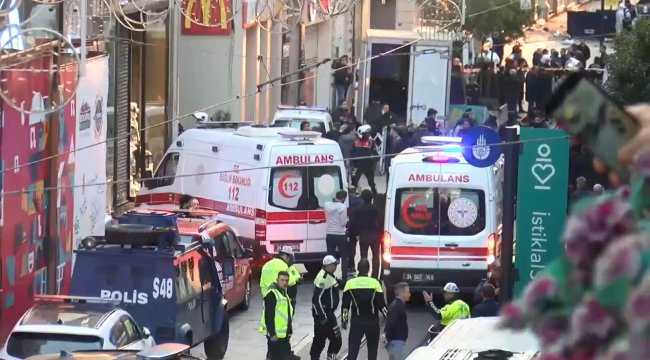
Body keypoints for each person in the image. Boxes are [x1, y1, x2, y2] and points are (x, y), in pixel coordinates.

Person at [342, 259, 387, 360]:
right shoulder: (375, 283)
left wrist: (344, 321)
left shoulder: (350, 283)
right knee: (372, 349)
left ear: (357, 269)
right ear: (368, 269)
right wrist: (388, 317)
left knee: (353, 349)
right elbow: (382, 305)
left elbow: (345, 306)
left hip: (357, 322)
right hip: (372, 322)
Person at [310, 255, 343, 360]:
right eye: (334, 264)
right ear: (327, 265)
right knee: (336, 339)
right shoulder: (323, 278)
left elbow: (338, 283)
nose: (336, 267)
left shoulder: (330, 275)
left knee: (320, 339)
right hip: (325, 314)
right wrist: (323, 316)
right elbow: (316, 299)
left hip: (325, 314)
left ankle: (315, 357)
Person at [260, 271, 294, 360]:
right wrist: (272, 334)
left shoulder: (284, 294)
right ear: (277, 280)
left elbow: (287, 315)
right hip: (275, 336)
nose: (284, 282)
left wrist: (289, 330)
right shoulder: (271, 295)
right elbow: (268, 316)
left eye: (286, 280)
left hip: (283, 335)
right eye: (282, 280)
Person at [349, 190, 381, 279]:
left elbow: (353, 223)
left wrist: (356, 234)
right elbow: (380, 222)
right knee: (376, 257)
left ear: (362, 198)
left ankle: (363, 274)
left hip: (363, 235)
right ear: (371, 198)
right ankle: (375, 276)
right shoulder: (376, 209)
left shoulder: (358, 209)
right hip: (375, 236)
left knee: (363, 256)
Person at [325, 190, 349, 283]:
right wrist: (347, 220)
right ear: (343, 198)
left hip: (329, 234)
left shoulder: (327, 205)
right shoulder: (342, 207)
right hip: (340, 234)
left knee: (330, 257)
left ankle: (329, 277)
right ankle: (344, 279)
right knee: (344, 256)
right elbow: (343, 223)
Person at [382, 282, 410, 360]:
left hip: (395, 342)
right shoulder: (397, 306)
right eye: (408, 292)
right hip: (397, 343)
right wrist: (385, 335)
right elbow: (391, 322)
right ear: (402, 293)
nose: (409, 294)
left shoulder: (396, 304)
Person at [351, 125, 377, 194]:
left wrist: (373, 162)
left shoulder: (371, 142)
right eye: (366, 134)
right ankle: (352, 195)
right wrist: (352, 162)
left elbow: (376, 154)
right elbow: (352, 153)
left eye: (368, 133)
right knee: (354, 182)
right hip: (357, 165)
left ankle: (375, 194)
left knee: (371, 182)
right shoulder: (355, 142)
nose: (368, 135)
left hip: (368, 165)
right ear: (361, 133)